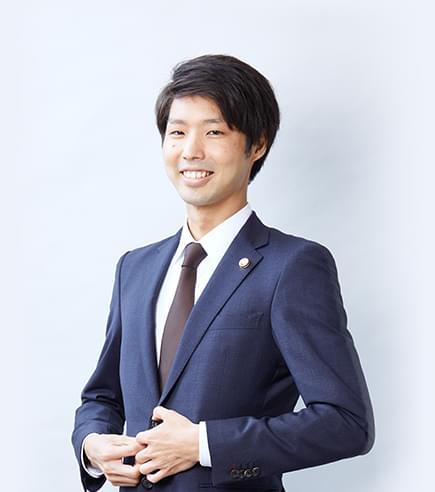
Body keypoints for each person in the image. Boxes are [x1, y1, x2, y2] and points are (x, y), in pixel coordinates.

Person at [71, 54, 375, 492]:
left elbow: (346, 422)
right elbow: (102, 396)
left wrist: (205, 444)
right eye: (177, 132)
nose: (191, 150)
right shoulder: (134, 268)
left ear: (257, 144)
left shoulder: (292, 266)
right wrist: (92, 444)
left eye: (214, 132)